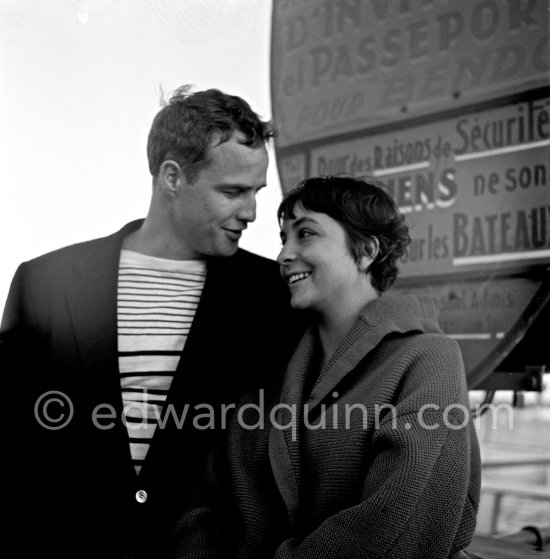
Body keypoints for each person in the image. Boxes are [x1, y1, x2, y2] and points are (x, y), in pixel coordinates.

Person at [0, 86, 304, 559]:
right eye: (232, 191)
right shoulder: (44, 281)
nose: (251, 213)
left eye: (256, 192)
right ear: (172, 177)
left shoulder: (271, 295)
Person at [172, 175, 481, 559]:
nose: (284, 255)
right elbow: (206, 504)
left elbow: (400, 524)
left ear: (367, 250)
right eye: (284, 238)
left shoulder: (428, 359)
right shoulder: (271, 369)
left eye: (306, 234)